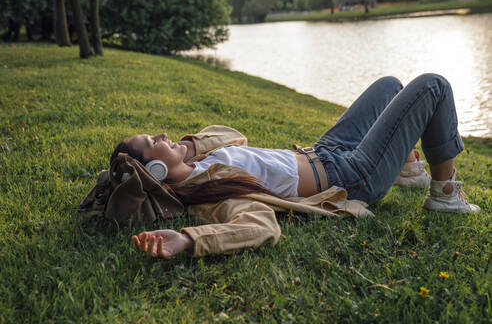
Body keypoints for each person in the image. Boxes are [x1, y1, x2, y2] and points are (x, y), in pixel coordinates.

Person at [110, 73, 480, 260]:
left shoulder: (199, 163)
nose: (162, 135)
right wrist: (191, 239)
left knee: (390, 85)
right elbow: (261, 227)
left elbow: (232, 136)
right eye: (153, 143)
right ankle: (445, 194)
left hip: (326, 150)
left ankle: (406, 165)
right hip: (352, 177)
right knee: (433, 86)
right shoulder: (209, 195)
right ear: (153, 173)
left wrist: (186, 149)